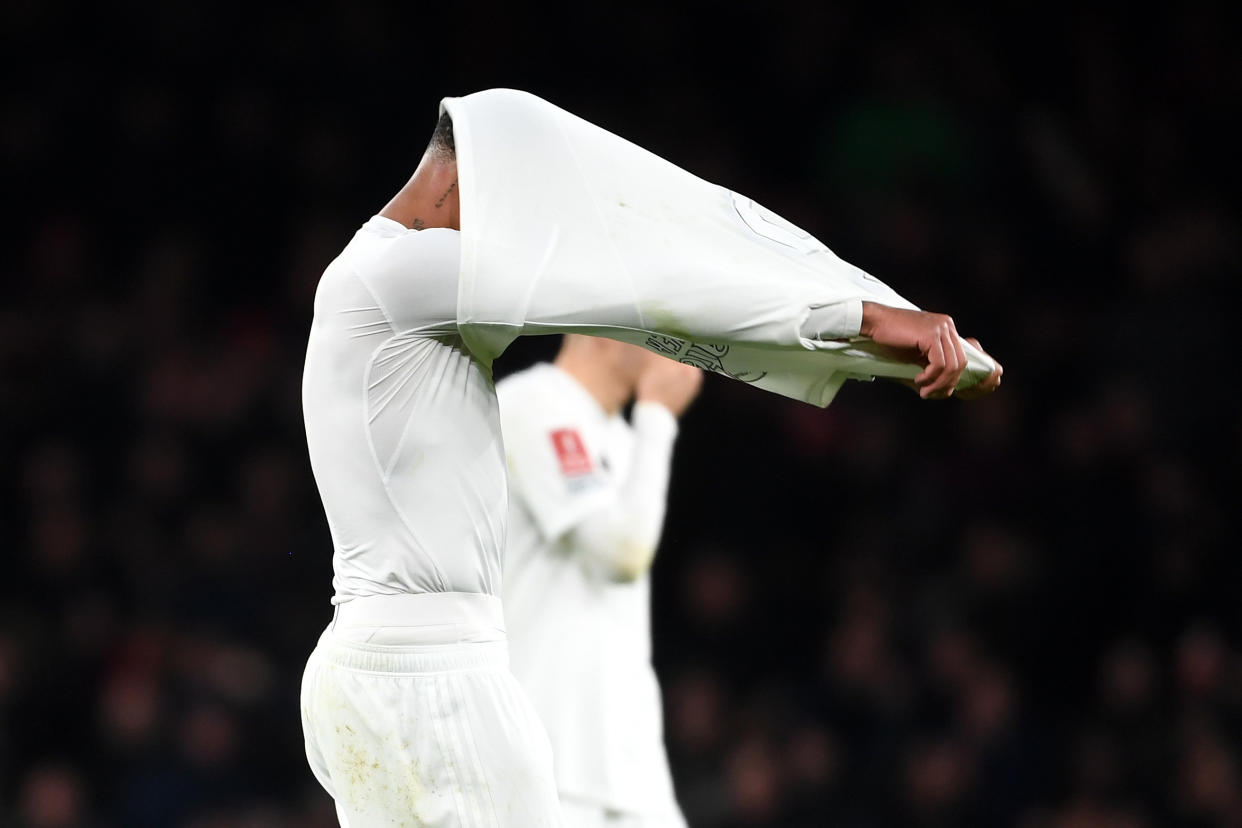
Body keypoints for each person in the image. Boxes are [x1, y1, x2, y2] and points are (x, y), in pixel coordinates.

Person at [298, 89, 1002, 827]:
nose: (521, 236)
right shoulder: (401, 277)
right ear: (457, 182)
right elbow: (647, 287)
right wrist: (867, 317)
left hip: (384, 664)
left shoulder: (370, 281)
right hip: (434, 676)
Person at [499, 337, 702, 828]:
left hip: (627, 756)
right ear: (602, 331)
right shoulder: (533, 403)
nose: (674, 349)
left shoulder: (621, 434)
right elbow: (620, 554)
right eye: (657, 331)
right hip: (554, 753)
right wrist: (657, 415)